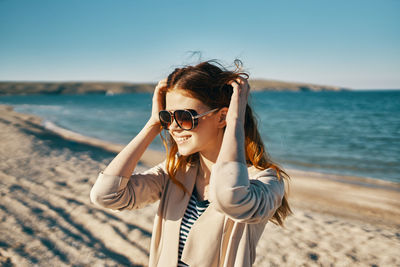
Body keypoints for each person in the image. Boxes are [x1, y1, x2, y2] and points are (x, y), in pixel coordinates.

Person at [90, 59, 291, 267]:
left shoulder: (266, 180)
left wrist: (235, 122)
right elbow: (106, 195)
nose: (174, 128)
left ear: (222, 117)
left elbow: (230, 197)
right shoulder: (175, 172)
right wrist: (153, 124)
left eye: (185, 116)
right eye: (168, 117)